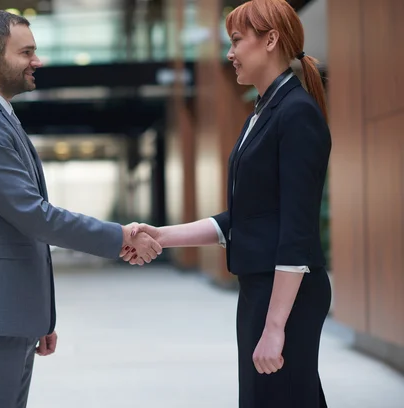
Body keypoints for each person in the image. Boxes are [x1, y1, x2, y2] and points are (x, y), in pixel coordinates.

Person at [0, 10, 162, 408]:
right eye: (26, 52)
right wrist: (118, 237)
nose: (37, 61)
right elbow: (32, 214)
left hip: (10, 314)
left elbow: (21, 228)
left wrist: (39, 316)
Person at [123, 0, 331, 406]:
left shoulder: (295, 114)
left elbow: (297, 230)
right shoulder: (263, 111)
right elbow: (242, 218)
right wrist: (160, 236)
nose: (230, 53)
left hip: (285, 296)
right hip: (263, 289)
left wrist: (275, 326)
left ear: (270, 40)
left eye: (236, 40)